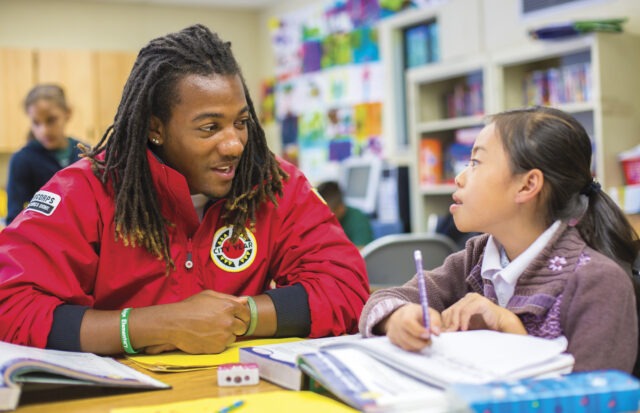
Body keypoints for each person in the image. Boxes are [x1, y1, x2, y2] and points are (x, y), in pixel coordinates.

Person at [0, 24, 369, 355]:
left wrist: (241, 316)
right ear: (154, 128)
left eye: (240, 122)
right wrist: (149, 326)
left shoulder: (274, 185)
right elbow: (10, 303)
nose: (234, 145)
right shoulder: (85, 190)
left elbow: (346, 288)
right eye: (210, 127)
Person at [359, 106, 639, 373]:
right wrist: (398, 318)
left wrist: (514, 334)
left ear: (527, 185)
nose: (459, 178)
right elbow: (384, 300)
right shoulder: (477, 258)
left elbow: (595, 401)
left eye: (476, 163)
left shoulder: (597, 282)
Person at [5, 84, 84, 225]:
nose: (44, 131)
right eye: (36, 123)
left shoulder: (84, 154)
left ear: (68, 113)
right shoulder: (22, 160)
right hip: (41, 243)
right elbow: (14, 220)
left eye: (51, 120)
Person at [317, 180, 374, 248]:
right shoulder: (315, 220)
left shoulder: (357, 218)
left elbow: (362, 251)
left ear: (341, 208)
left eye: (325, 212)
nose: (320, 216)